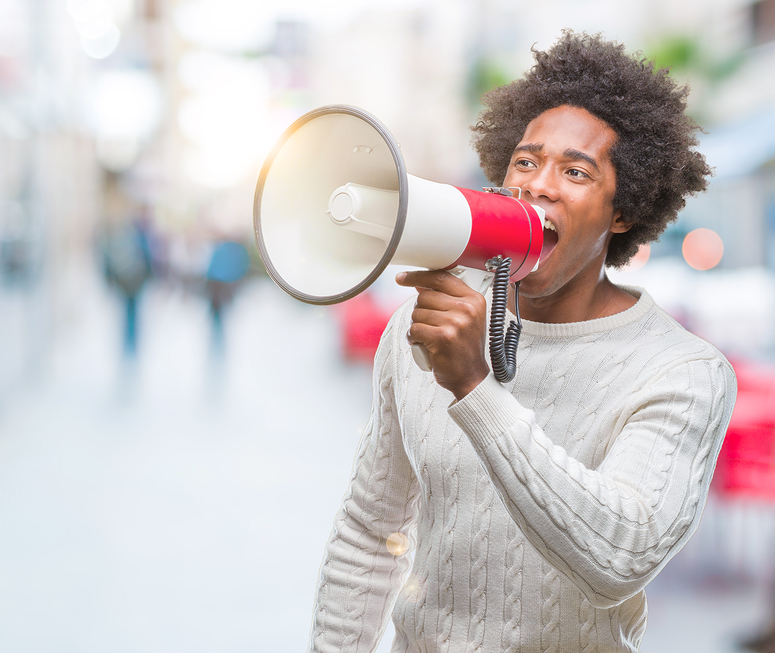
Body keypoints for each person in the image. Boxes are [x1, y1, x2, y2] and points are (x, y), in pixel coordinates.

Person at [308, 31, 737, 652]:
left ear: (623, 210)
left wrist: (475, 387)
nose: (538, 185)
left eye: (576, 170)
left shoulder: (682, 371)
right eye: (527, 161)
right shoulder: (422, 325)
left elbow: (619, 560)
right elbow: (370, 532)